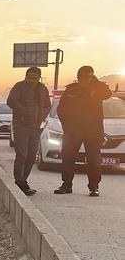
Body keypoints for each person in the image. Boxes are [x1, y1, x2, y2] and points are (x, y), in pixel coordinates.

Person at [54, 65, 112, 197]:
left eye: (89, 76)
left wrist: (95, 81)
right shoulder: (71, 90)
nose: (86, 79)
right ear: (78, 77)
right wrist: (67, 126)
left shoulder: (98, 89)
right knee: (68, 158)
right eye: (83, 76)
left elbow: (108, 93)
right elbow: (61, 109)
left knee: (94, 161)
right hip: (73, 131)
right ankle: (66, 185)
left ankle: (94, 187)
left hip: (93, 131)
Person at [7, 67, 51, 196]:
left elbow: (48, 106)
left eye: (35, 78)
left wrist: (42, 115)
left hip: (36, 127)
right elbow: (11, 101)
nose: (32, 80)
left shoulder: (42, 89)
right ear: (26, 77)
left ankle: (23, 180)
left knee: (32, 157)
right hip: (21, 125)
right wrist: (24, 112)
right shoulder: (19, 87)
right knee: (22, 155)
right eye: (29, 78)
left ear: (39, 78)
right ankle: (19, 182)